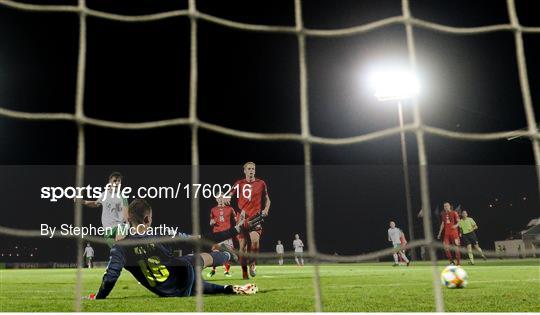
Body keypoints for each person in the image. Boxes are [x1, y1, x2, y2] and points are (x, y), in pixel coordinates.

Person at [90, 199, 257, 300]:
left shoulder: (120, 247)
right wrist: (237, 229)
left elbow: (111, 277)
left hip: (166, 291)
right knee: (197, 258)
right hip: (184, 274)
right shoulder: (162, 235)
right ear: (148, 219)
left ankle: (227, 288)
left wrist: (99, 297)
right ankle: (227, 254)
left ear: (128, 219)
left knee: (190, 279)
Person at [225, 162, 271, 279]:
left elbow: (267, 199)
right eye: (249, 169)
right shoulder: (239, 183)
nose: (251, 170)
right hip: (242, 219)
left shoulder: (261, 183)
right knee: (243, 247)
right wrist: (228, 197)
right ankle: (244, 272)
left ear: (255, 171)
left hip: (255, 218)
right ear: (244, 170)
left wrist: (266, 209)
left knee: (255, 241)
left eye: (253, 169)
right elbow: (230, 194)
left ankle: (253, 264)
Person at [79, 172, 129, 247]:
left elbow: (126, 214)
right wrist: (83, 201)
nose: (117, 183)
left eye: (119, 181)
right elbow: (95, 204)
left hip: (120, 226)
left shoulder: (123, 197)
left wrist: (126, 225)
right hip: (107, 229)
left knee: (119, 247)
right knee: (114, 251)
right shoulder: (104, 194)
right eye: (115, 181)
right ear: (110, 182)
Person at [207, 195, 236, 278]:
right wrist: (211, 222)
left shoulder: (230, 209)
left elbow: (235, 220)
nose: (220, 199)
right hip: (216, 235)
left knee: (229, 252)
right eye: (218, 197)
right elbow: (211, 222)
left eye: (221, 197)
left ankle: (226, 271)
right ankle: (213, 270)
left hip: (227, 234)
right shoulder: (213, 209)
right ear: (216, 199)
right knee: (215, 252)